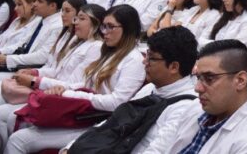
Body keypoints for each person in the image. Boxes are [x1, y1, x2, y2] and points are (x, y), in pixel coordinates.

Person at [5, 5, 146, 153]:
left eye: (110, 27)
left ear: (128, 29)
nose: (104, 32)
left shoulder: (133, 60)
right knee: (18, 119)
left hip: (98, 121)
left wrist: (70, 93)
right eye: (103, 26)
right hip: (83, 112)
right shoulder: (110, 52)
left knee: (18, 139)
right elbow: (87, 84)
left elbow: (117, 103)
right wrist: (65, 89)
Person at [63, 26, 202, 154]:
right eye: (146, 55)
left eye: (151, 58)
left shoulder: (186, 108)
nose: (144, 62)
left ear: (173, 67)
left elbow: (157, 151)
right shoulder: (150, 88)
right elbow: (113, 122)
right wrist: (71, 146)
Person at [171, 40, 247, 153]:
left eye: (209, 79)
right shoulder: (197, 107)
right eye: (198, 78)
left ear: (240, 81)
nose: (197, 88)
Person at [0, 0, 64, 76]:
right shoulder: (41, 20)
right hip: (18, 63)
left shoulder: (57, 26)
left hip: (29, 69)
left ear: (53, 6)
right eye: (35, 0)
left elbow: (42, 56)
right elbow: (22, 43)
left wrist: (8, 59)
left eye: (39, 1)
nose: (34, 4)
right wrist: (1, 51)